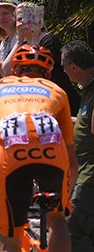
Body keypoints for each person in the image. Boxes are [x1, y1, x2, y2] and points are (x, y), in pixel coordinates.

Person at [0, 44, 77, 252]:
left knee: (10, 240)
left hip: (12, 160)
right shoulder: (57, 91)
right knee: (58, 221)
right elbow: (72, 162)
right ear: (49, 73)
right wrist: (64, 200)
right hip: (53, 156)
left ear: (14, 70)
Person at [62, 40, 94, 252]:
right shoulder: (88, 89)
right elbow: (85, 123)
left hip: (90, 177)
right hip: (85, 174)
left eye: (63, 66)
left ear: (74, 67)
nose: (63, 71)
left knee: (71, 231)